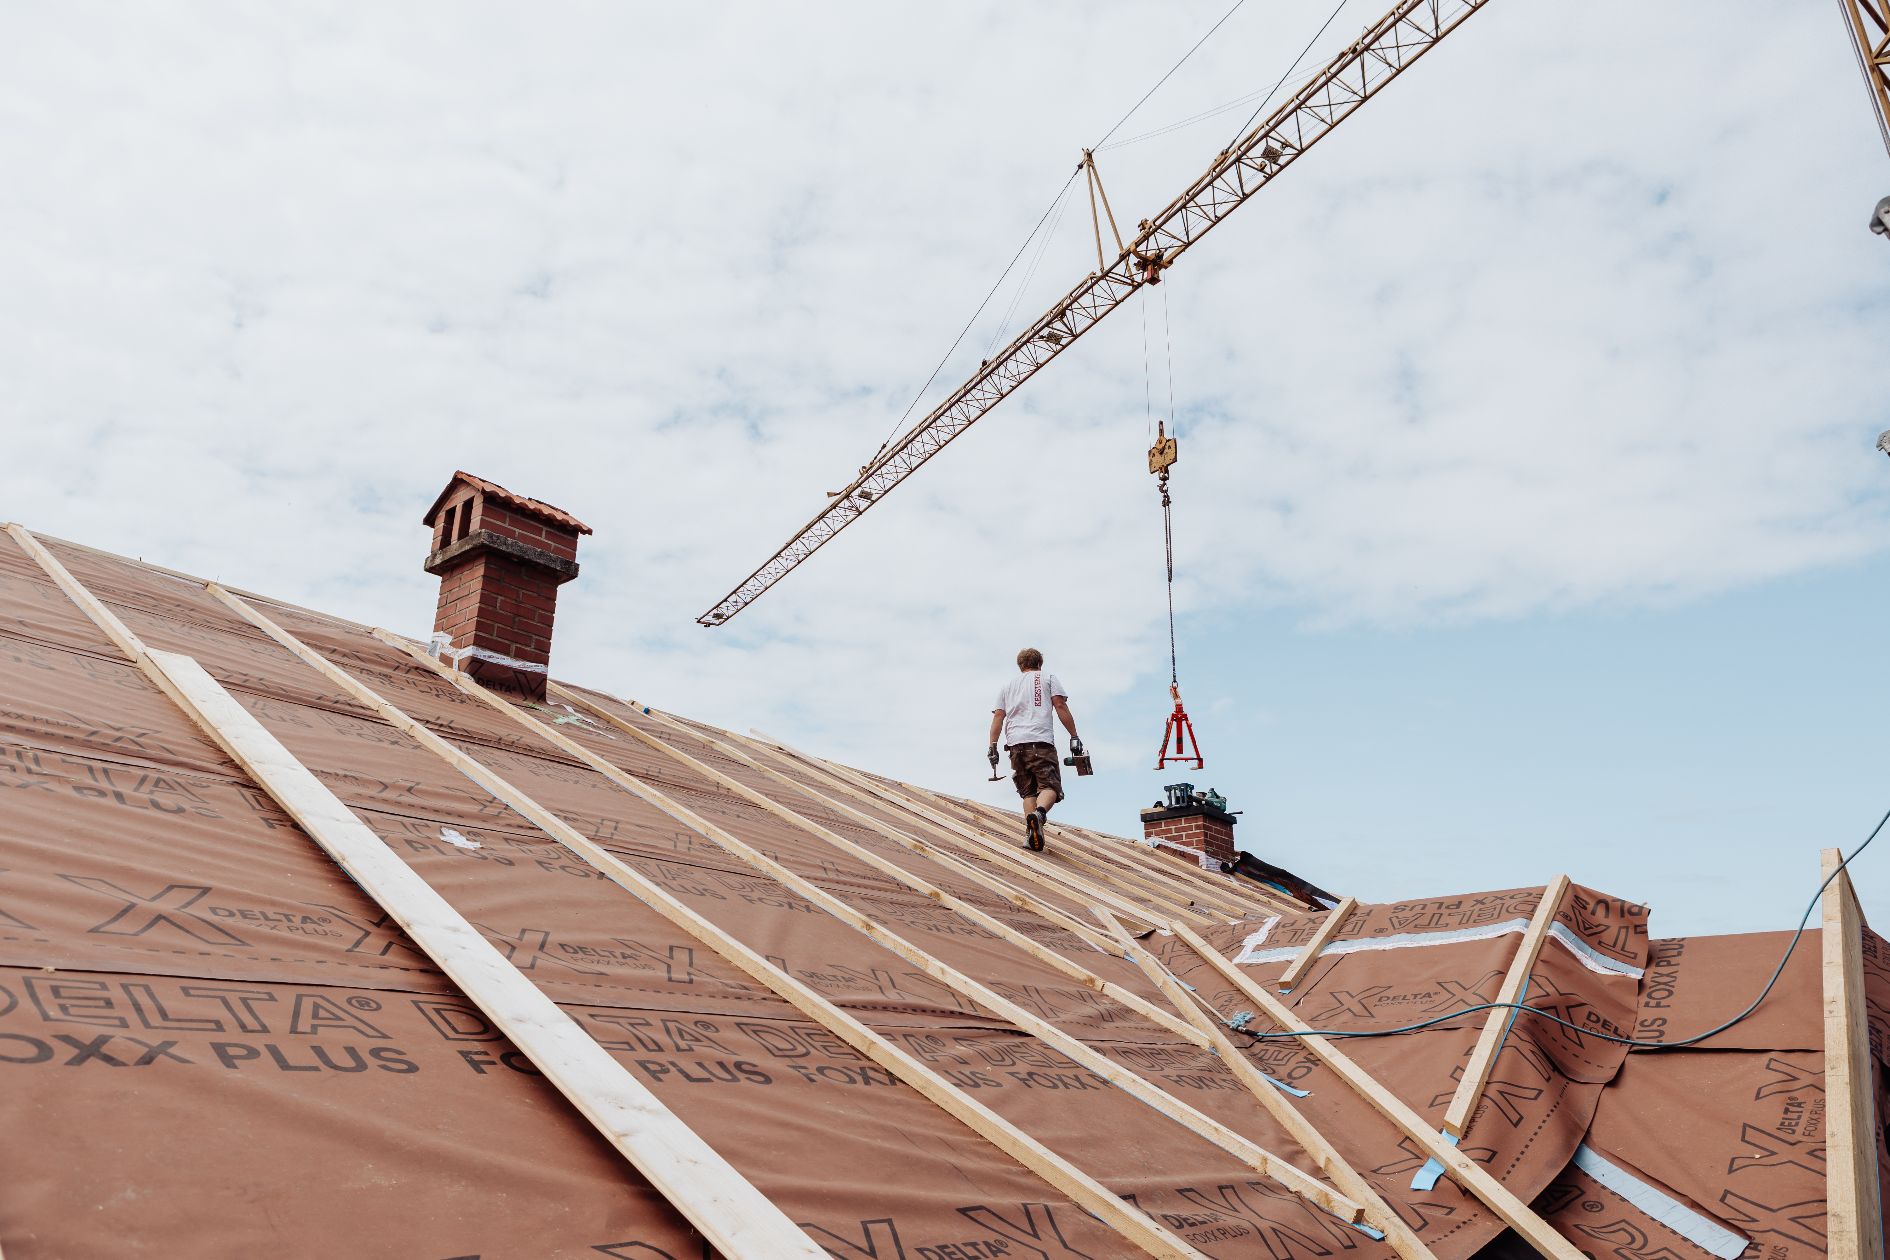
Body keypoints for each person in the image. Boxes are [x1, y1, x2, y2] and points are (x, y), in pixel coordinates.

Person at [987, 647, 1083, 851]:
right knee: (1051, 787)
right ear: (1040, 664)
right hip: (1040, 741)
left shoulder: (1007, 686)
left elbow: (998, 716)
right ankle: (1039, 815)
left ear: (1020, 666)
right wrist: (1074, 735)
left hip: (1015, 745)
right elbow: (1060, 706)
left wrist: (992, 746)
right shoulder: (1047, 678)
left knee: (1028, 792)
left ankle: (1031, 835)